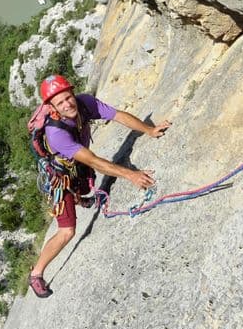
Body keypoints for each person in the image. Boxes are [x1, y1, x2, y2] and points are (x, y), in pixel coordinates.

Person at [29, 74, 171, 298]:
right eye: (60, 103)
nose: (67, 104)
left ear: (73, 94)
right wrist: (131, 175)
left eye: (68, 98)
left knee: (86, 182)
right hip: (61, 177)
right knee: (67, 231)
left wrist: (148, 130)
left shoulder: (85, 102)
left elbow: (118, 115)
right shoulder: (55, 133)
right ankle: (36, 274)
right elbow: (93, 160)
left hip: (76, 164)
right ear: (52, 107)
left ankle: (80, 196)